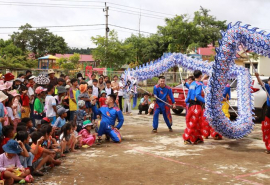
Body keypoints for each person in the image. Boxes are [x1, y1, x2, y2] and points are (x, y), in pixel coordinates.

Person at [183, 70, 204, 145]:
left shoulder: (192, 84)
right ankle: (187, 138)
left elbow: (188, 96)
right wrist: (204, 101)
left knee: (196, 122)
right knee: (194, 122)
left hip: (191, 105)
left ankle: (197, 138)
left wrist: (186, 101)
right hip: (196, 105)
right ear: (200, 76)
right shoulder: (199, 84)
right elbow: (198, 95)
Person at [255, 73, 270, 153]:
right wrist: (257, 77)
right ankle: (269, 147)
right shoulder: (267, 87)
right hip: (269, 110)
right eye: (269, 81)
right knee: (267, 128)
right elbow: (261, 83)